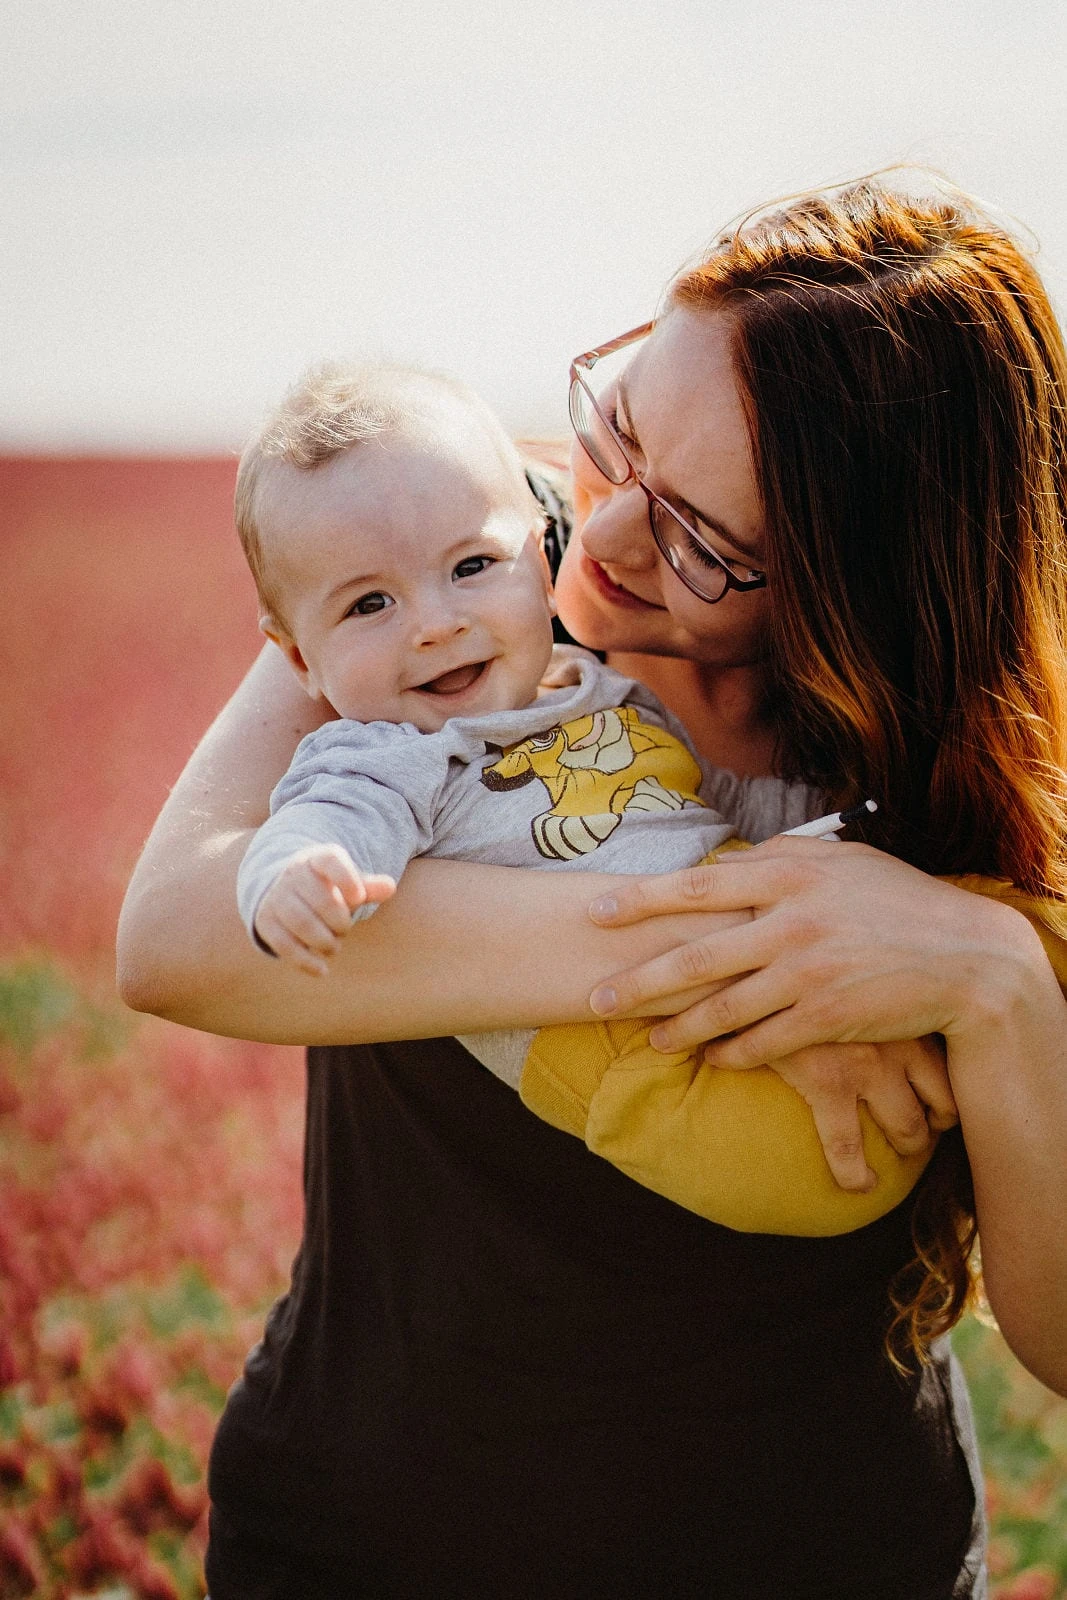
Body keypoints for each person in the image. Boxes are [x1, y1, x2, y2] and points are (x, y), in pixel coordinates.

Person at [117, 176, 1067, 1598]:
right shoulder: (447, 547)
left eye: (703, 541)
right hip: (370, 1538)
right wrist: (758, 929)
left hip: (818, 1553)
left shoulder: (978, 784)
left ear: (869, 581)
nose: (599, 543)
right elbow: (178, 938)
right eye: (616, 428)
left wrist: (987, 981)